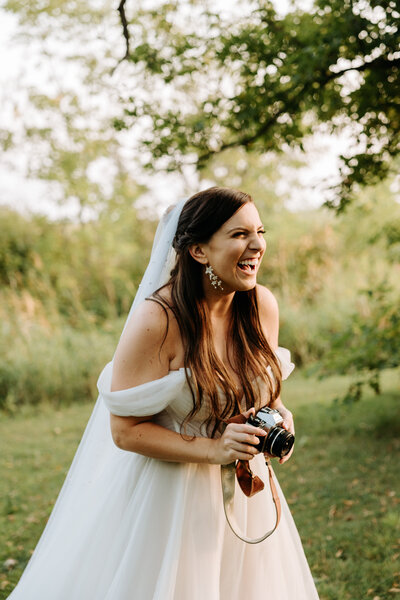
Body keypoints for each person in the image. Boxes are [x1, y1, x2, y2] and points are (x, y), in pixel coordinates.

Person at [8, 187, 319, 600]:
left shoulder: (260, 305)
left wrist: (278, 414)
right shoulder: (158, 319)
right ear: (199, 251)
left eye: (260, 231)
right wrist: (215, 450)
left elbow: (264, 393)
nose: (258, 245)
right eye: (239, 234)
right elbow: (124, 431)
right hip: (171, 498)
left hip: (247, 492)